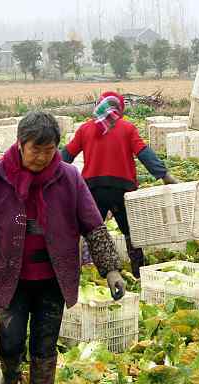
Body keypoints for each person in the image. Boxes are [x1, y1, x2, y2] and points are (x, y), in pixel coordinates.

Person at [0, 112, 126, 384]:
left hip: (54, 277)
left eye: (49, 149)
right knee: (10, 340)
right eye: (35, 149)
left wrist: (111, 269)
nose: (42, 157)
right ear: (20, 144)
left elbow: (93, 226)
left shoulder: (68, 177)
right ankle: (10, 381)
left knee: (45, 343)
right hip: (9, 278)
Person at [61, 91, 177, 278]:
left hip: (93, 190)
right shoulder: (127, 128)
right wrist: (164, 175)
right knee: (131, 232)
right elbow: (144, 153)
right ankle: (138, 272)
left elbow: (66, 155)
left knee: (90, 231)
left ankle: (83, 271)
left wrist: (49, 172)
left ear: (99, 105)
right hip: (122, 190)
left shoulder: (86, 129)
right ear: (119, 108)